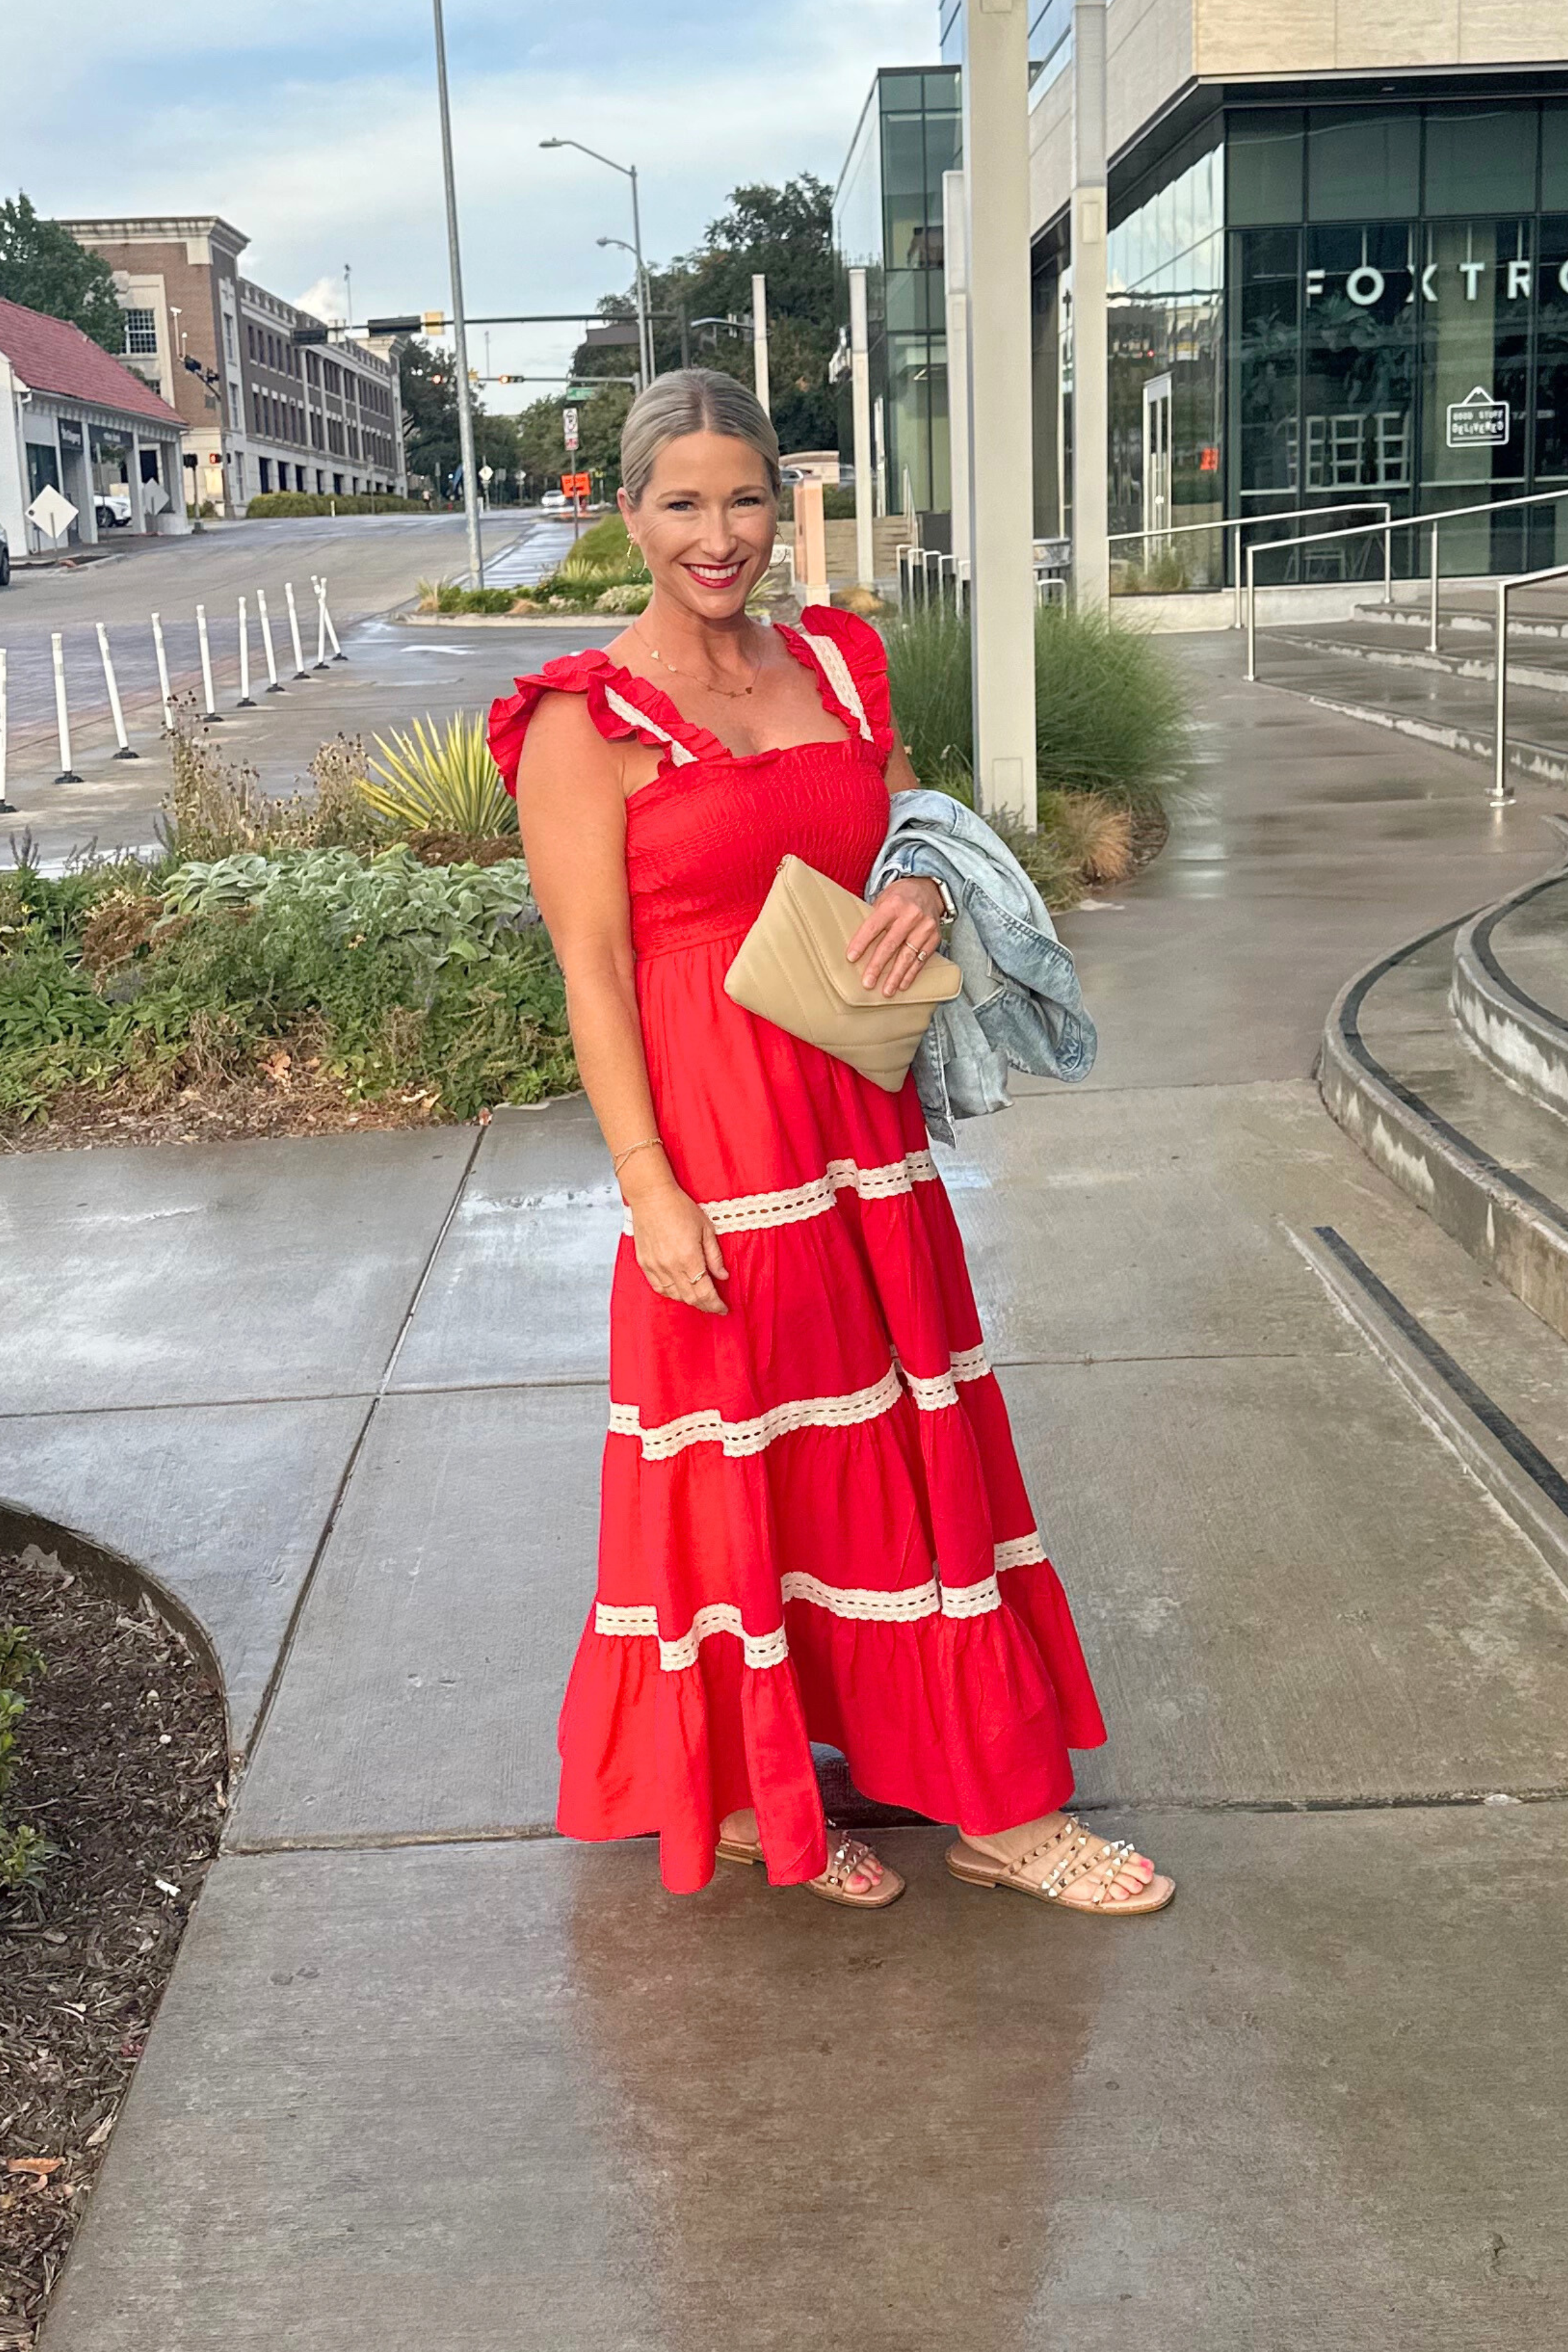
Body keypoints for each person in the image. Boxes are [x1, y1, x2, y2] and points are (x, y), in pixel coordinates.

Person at [489, 369, 1173, 1918]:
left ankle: (992, 1804)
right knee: (773, 1466)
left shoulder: (841, 664)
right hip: (724, 1148)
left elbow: (907, 813)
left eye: (746, 499)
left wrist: (924, 881)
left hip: (863, 1127)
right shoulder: (580, 721)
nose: (721, 535)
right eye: (684, 503)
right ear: (629, 514)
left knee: (906, 1455)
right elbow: (592, 973)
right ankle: (754, 1791)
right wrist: (650, 1189)